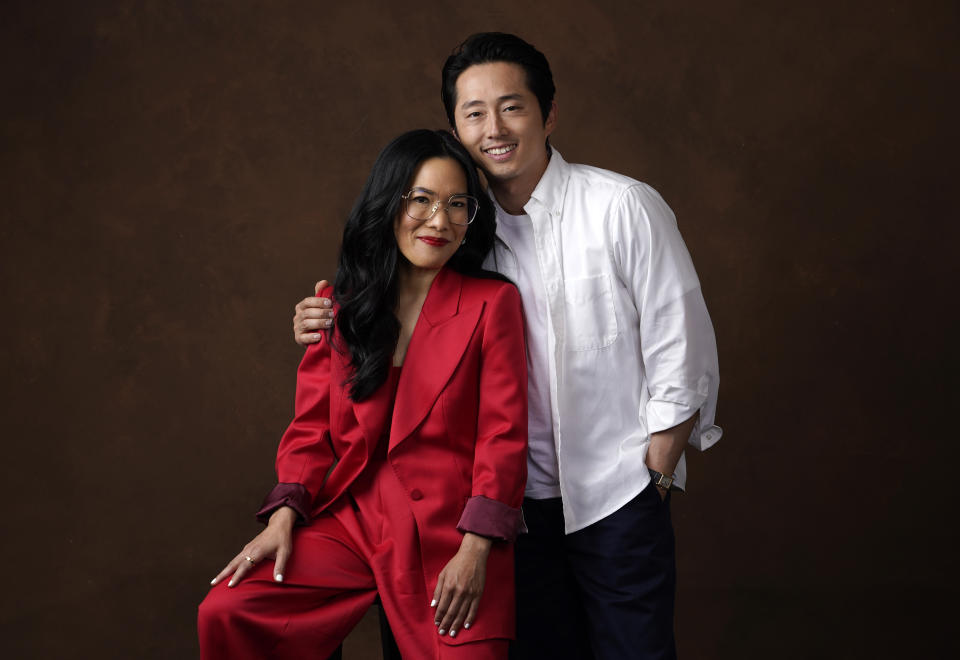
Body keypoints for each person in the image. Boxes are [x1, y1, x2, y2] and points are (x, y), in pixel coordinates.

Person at [294, 33, 722, 660]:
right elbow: (388, 304)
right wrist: (327, 315)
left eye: (512, 106)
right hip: (506, 518)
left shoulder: (622, 207)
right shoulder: (459, 232)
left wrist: (652, 482)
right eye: (473, 113)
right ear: (455, 130)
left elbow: (683, 357)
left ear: (548, 114)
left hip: (618, 499)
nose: (493, 127)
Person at [199, 129, 528, 659]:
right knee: (229, 610)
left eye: (456, 204)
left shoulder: (494, 304)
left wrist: (477, 548)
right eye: (421, 200)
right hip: (352, 520)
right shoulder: (336, 304)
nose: (439, 221)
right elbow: (310, 430)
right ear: (389, 204)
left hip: (450, 531)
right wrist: (283, 517)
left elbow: (502, 435)